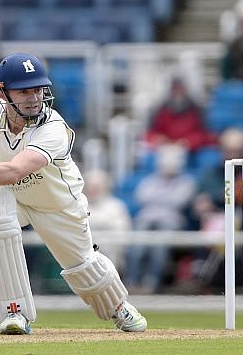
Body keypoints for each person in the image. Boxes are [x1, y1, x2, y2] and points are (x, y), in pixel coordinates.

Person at [0, 53, 147, 334]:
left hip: (57, 204)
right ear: (2, 92)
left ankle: (119, 306)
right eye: (24, 91)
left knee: (83, 268)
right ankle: (15, 312)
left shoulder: (54, 127)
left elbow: (14, 170)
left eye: (38, 89)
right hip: (12, 197)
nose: (34, 98)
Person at [125, 144, 196, 294]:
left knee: (159, 247)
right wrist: (165, 200)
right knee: (137, 246)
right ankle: (132, 282)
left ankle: (151, 283)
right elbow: (141, 197)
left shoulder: (186, 182)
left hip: (172, 220)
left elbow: (180, 201)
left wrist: (157, 201)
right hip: (147, 219)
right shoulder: (150, 181)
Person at [144, 77, 217, 153]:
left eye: (180, 88)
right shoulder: (160, 110)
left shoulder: (197, 109)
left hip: (192, 151)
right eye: (175, 88)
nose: (177, 91)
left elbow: (204, 134)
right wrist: (158, 139)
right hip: (165, 150)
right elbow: (151, 132)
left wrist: (188, 142)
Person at [82, 170, 132, 273]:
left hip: (110, 251)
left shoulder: (116, 205)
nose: (93, 190)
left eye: (97, 186)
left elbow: (122, 231)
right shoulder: (79, 205)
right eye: (90, 186)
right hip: (83, 251)